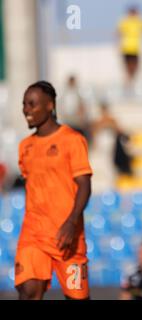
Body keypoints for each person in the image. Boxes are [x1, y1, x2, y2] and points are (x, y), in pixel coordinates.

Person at [15, 81, 93, 300]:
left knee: (77, 298)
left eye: (32, 104)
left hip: (66, 236)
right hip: (33, 235)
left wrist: (71, 222)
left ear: (50, 106)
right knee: (28, 291)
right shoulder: (25, 147)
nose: (26, 110)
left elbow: (84, 185)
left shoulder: (72, 140)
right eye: (24, 105)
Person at [117, 6, 142, 83]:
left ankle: (131, 80)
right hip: (126, 47)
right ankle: (128, 80)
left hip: (136, 48)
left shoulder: (140, 21)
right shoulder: (125, 21)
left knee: (135, 66)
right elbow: (119, 32)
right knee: (127, 66)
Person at [59, 75, 91, 142]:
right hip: (69, 122)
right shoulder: (65, 95)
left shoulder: (78, 94)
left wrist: (82, 117)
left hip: (77, 122)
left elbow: (82, 107)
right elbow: (62, 109)